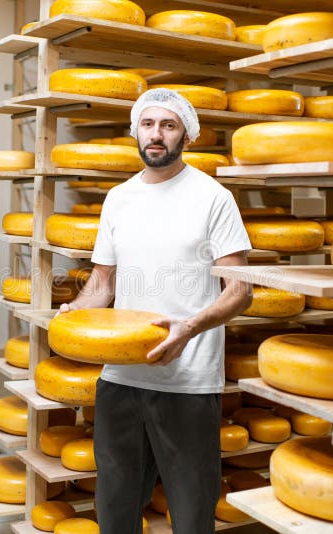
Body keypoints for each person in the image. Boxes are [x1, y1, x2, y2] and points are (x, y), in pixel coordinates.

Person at [58, 88, 253, 534]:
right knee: (115, 505)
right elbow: (102, 284)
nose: (157, 135)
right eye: (148, 124)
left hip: (187, 380)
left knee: (191, 509)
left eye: (168, 125)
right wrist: (74, 311)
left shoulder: (213, 197)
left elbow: (240, 290)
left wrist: (190, 326)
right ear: (135, 131)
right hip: (121, 379)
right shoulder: (118, 198)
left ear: (186, 135)